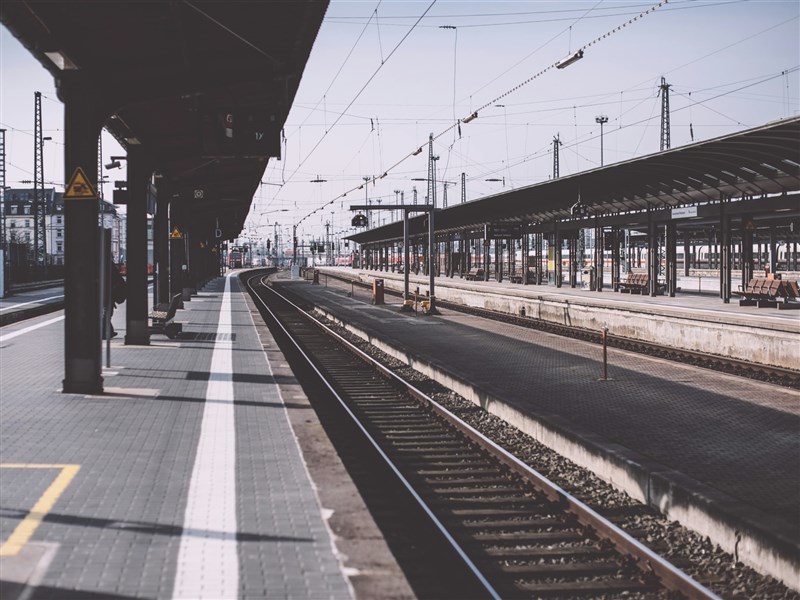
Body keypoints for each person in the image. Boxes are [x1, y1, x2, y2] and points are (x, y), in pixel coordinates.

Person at [104, 263, 127, 338]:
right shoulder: (109, 265)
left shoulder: (104, 264)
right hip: (109, 292)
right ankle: (107, 331)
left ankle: (107, 331)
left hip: (107, 292)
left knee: (105, 313)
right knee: (107, 313)